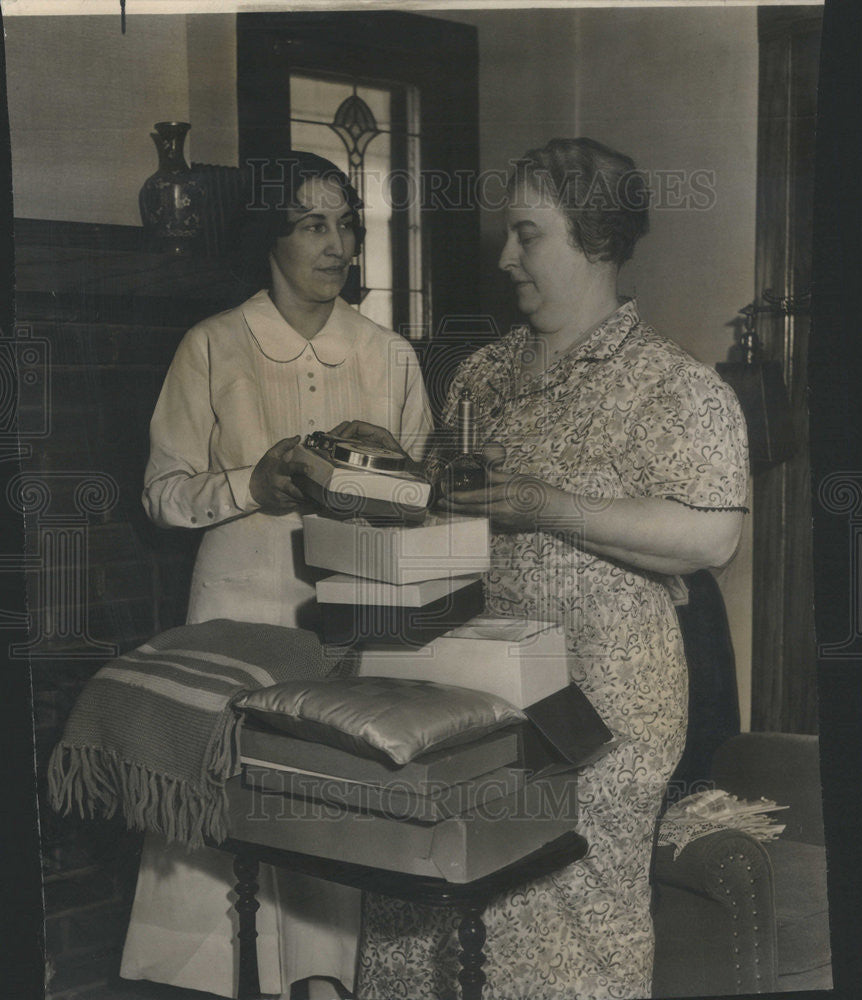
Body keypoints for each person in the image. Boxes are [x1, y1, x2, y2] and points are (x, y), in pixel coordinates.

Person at [354, 137, 749, 999]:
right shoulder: (481, 374)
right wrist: (378, 477)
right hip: (473, 677)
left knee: (552, 917)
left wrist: (548, 506)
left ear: (595, 241)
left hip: (603, 700)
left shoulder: (673, 387)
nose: (505, 258)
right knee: (410, 897)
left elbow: (711, 537)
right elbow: (445, 506)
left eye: (526, 235)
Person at [120, 153, 433, 1000]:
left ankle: (326, 983)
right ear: (272, 237)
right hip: (234, 615)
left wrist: (378, 482)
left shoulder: (387, 354)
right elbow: (160, 495)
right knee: (225, 819)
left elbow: (424, 503)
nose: (336, 246)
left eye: (346, 227)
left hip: (343, 621)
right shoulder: (213, 345)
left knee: (331, 808)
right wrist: (250, 485)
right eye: (312, 224)